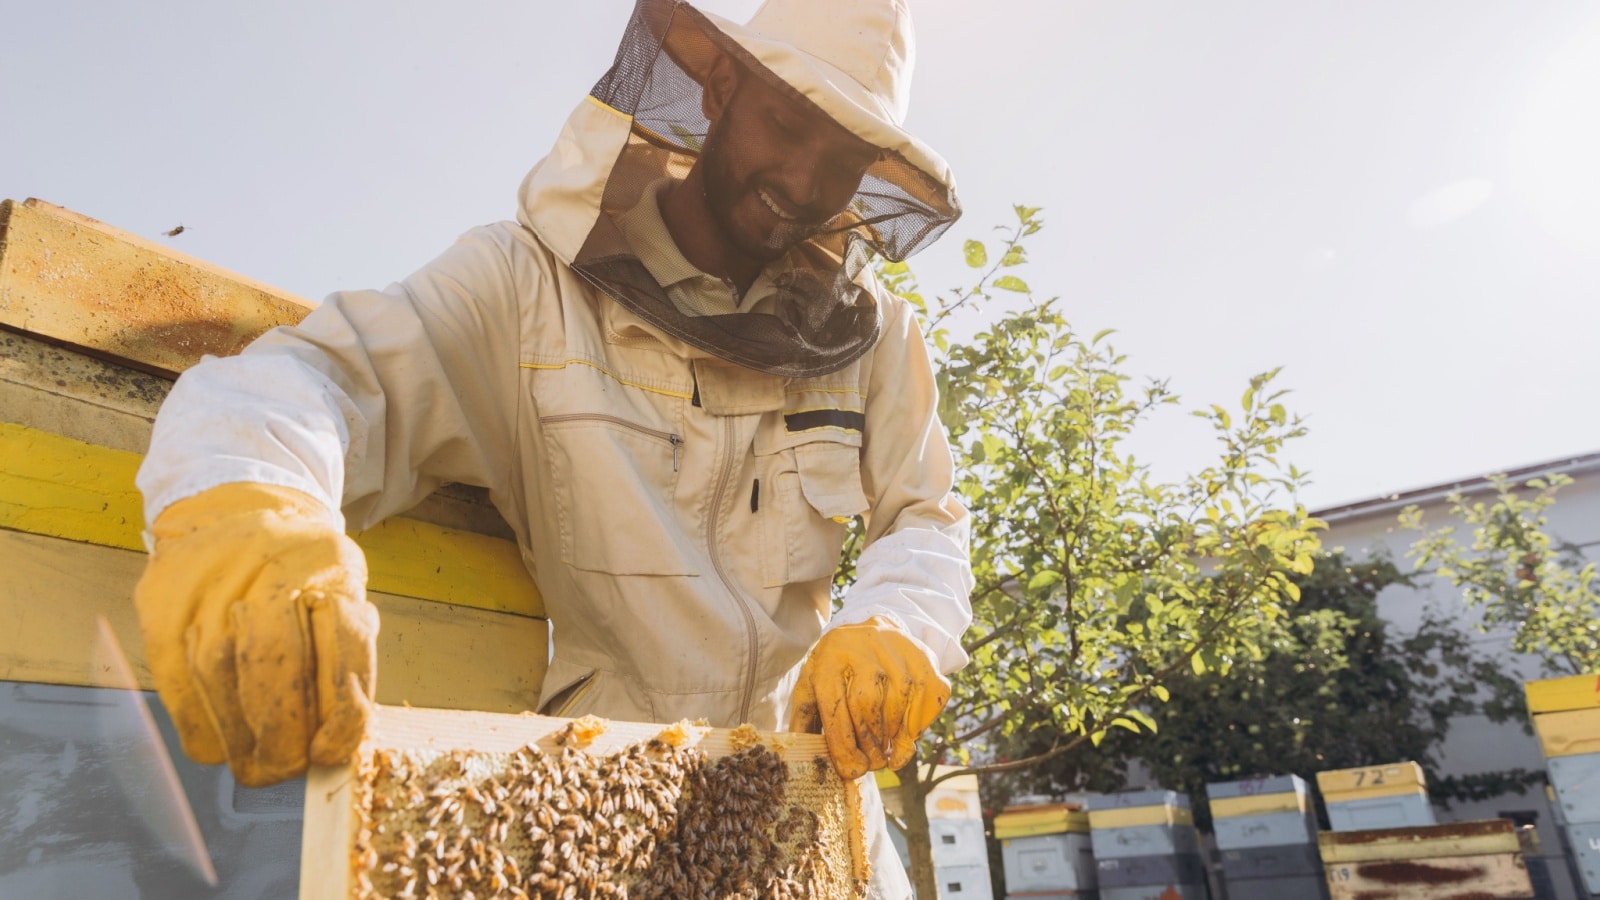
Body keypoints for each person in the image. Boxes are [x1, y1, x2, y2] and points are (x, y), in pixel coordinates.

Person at [132, 0, 972, 894]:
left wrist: (895, 622)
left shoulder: (874, 340)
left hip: (810, 806)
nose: (806, 183)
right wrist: (245, 510)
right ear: (721, 86)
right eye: (787, 123)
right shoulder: (524, 286)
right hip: (595, 802)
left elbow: (925, 516)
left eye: (843, 161)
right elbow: (310, 382)